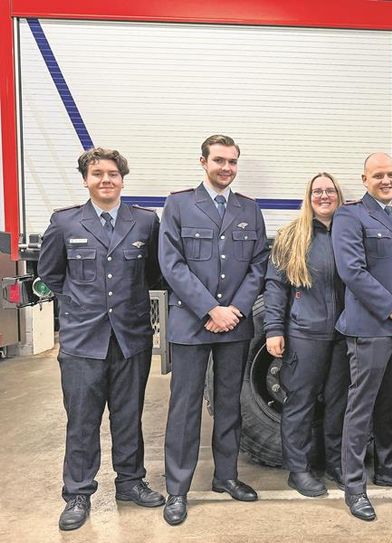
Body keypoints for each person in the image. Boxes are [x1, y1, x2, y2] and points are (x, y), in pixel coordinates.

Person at [39, 148, 164, 531]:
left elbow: (154, 273)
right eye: (97, 174)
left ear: (122, 179)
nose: (105, 180)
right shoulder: (65, 222)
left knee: (128, 416)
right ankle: (78, 493)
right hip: (83, 341)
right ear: (85, 180)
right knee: (82, 420)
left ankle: (130, 482)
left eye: (112, 174)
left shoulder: (145, 222)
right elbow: (51, 274)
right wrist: (82, 305)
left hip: (130, 337)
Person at [159, 135, 269, 525]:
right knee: (185, 408)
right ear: (203, 162)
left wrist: (234, 310)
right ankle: (177, 489)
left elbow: (259, 264)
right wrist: (210, 309)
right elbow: (171, 264)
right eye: (219, 160)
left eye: (232, 162)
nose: (226, 168)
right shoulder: (178, 205)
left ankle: (226, 476)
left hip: (234, 326)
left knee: (229, 405)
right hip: (192, 323)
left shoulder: (249, 208)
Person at [332, 153, 392, 521]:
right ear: (364, 180)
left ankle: (387, 468)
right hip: (370, 328)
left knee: (390, 403)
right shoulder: (349, 216)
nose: (386, 180)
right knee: (361, 407)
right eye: (378, 175)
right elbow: (352, 271)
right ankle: (354, 487)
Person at [264, 173, 348, 497]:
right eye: (317, 191)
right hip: (305, 334)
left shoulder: (349, 233)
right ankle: (298, 470)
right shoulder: (291, 236)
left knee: (339, 403)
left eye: (330, 191)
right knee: (300, 402)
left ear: (338, 196)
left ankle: (336, 464)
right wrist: (274, 328)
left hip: (343, 333)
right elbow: (275, 286)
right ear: (308, 197)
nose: (324, 196)